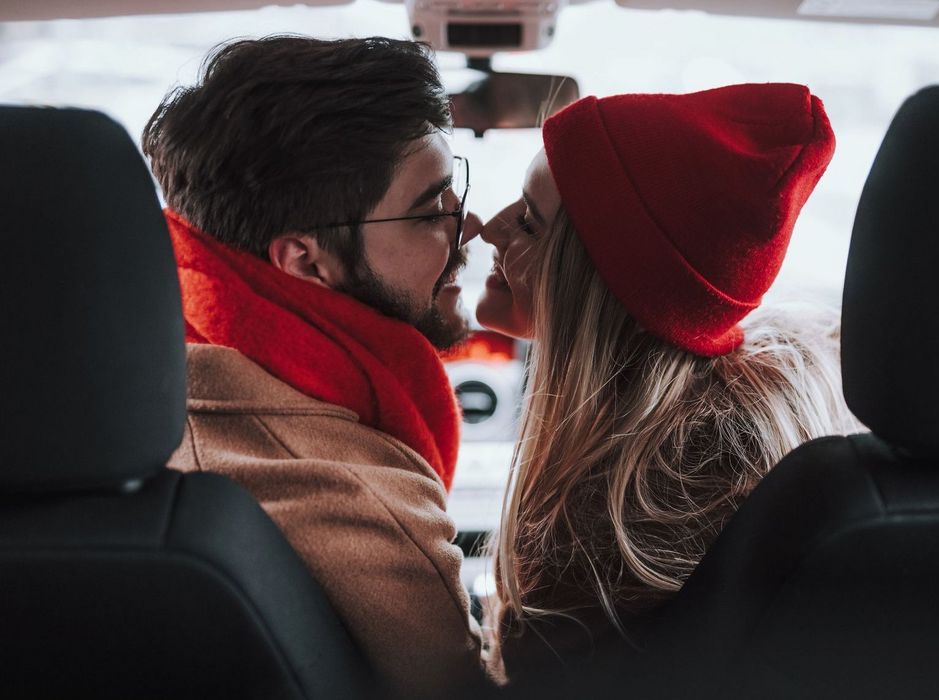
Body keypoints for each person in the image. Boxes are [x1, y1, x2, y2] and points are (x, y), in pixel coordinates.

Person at [474, 83, 862, 681]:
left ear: (597, 276)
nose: (489, 231)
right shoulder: (716, 436)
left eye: (528, 222)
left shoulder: (625, 517)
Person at [142, 36, 486, 698]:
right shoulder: (361, 502)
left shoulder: (156, 391)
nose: (464, 225)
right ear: (306, 261)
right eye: (428, 211)